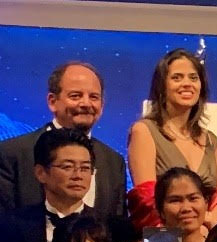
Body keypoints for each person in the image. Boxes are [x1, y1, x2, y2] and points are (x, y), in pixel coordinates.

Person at [0, 128, 135, 242]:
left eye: (85, 168)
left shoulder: (114, 228)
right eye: (67, 167)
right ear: (40, 173)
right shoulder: (11, 226)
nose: (78, 175)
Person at [0, 61, 127, 219]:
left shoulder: (114, 162)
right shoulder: (12, 154)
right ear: (52, 101)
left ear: (102, 106)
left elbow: (117, 227)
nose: (86, 103)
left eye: (94, 97)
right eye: (76, 96)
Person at [126, 48, 217, 230]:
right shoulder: (144, 131)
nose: (187, 84)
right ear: (162, 86)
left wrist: (210, 221)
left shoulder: (210, 139)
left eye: (193, 78)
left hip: (207, 237)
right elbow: (146, 201)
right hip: (162, 237)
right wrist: (192, 225)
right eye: (177, 78)